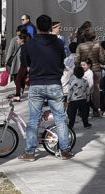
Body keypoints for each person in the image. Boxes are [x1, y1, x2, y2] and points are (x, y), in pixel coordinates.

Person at [18, 14, 74, 161]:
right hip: (55, 83)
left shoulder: (29, 45)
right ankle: (65, 150)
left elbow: (27, 66)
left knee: (33, 120)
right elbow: (62, 60)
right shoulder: (58, 43)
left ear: (36, 26)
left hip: (36, 84)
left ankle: (30, 153)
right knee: (60, 118)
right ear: (50, 27)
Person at [76, 28, 105, 117]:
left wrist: (79, 68)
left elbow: (76, 60)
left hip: (84, 70)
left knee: (82, 90)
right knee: (96, 90)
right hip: (96, 69)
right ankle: (96, 110)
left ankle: (82, 110)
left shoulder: (80, 46)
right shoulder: (98, 45)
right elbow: (102, 59)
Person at [11, 32, 30, 101]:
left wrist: (28, 66)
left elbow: (26, 58)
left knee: (17, 80)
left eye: (18, 39)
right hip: (24, 66)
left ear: (22, 40)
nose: (17, 40)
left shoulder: (24, 47)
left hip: (24, 67)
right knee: (25, 79)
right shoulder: (24, 47)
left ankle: (17, 95)